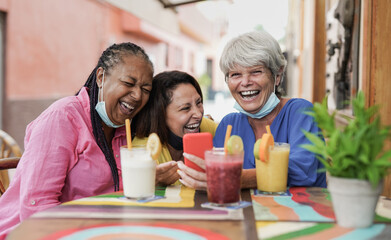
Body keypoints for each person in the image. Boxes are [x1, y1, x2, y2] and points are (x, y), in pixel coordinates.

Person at [0, 42, 154, 238]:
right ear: (101, 77)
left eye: (146, 89)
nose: (138, 95)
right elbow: (36, 205)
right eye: (129, 83)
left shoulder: (125, 130)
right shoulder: (62, 117)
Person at [178, 30, 327, 190]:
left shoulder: (300, 112)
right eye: (235, 74)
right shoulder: (229, 124)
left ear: (277, 76)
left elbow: (303, 170)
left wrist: (234, 178)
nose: (245, 82)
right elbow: (213, 175)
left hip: (299, 213)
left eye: (256, 71)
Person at [132, 70, 217, 186]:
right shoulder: (144, 150)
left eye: (199, 103)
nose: (198, 114)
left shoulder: (208, 128)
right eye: (185, 108)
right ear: (160, 115)